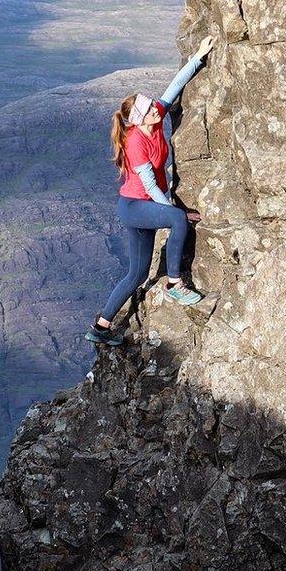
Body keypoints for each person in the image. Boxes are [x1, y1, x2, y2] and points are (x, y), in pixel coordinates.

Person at [85, 36, 215, 346]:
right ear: (139, 119)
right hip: (134, 205)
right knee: (177, 220)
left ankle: (100, 328)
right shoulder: (136, 142)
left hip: (138, 207)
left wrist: (198, 57)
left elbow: (173, 88)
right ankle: (174, 283)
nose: (157, 109)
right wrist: (174, 210)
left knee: (137, 273)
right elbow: (149, 186)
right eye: (149, 109)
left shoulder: (153, 119)